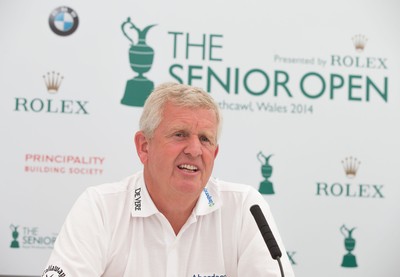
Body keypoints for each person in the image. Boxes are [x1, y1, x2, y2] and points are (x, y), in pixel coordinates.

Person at [42, 82, 295, 277]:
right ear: (144, 146)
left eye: (205, 139)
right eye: (180, 134)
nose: (195, 150)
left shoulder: (245, 208)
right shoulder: (100, 207)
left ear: (215, 154)